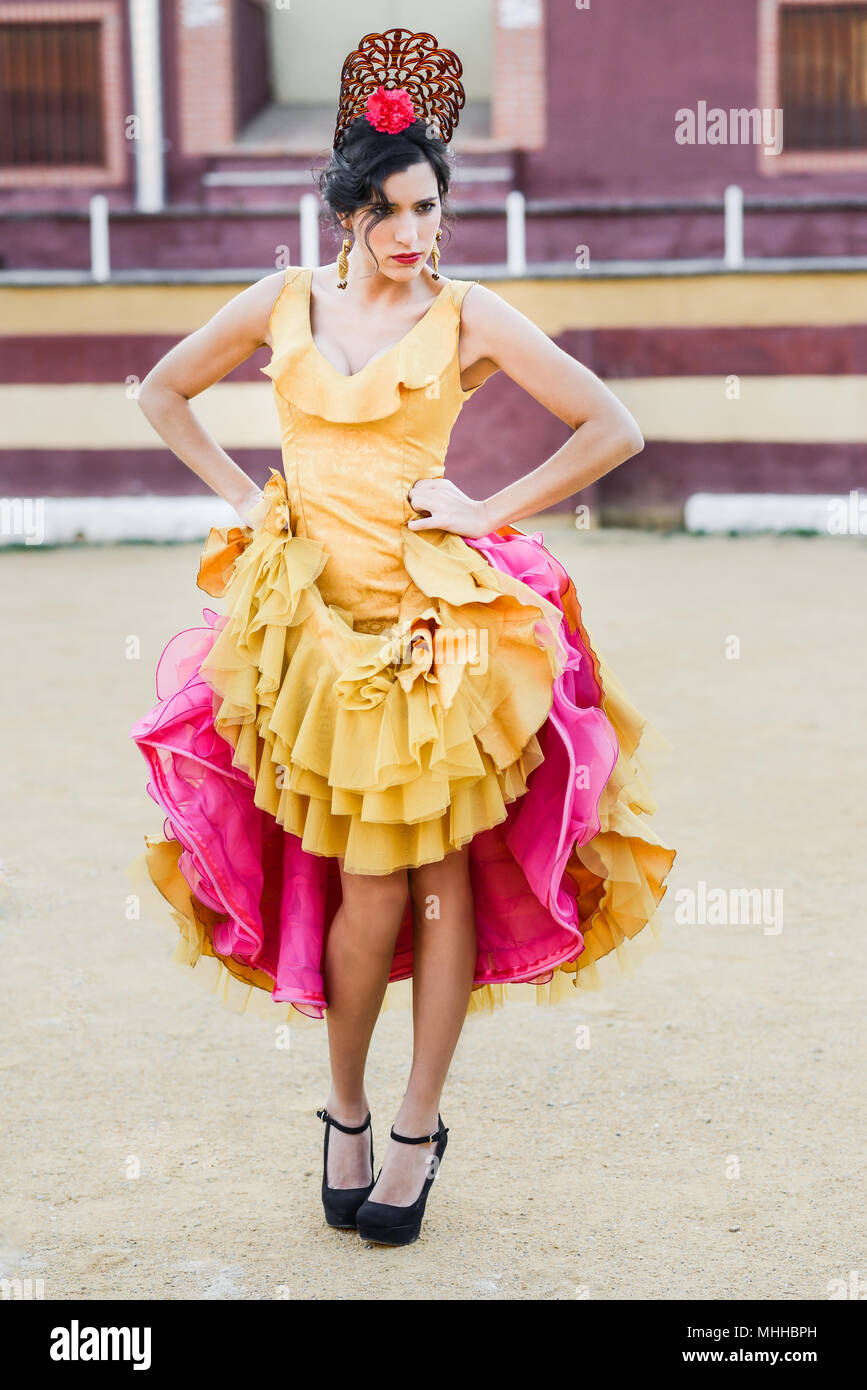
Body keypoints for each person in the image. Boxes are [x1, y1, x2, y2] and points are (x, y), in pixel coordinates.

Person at [128, 29, 676, 1247]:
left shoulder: (468, 314)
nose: (411, 234)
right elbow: (162, 390)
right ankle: (345, 1108)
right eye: (386, 211)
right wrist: (242, 496)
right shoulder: (285, 302)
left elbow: (612, 423)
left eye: (426, 207)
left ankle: (415, 1126)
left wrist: (486, 510)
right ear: (345, 206)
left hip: (435, 633)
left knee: (432, 885)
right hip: (315, 633)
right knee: (366, 889)